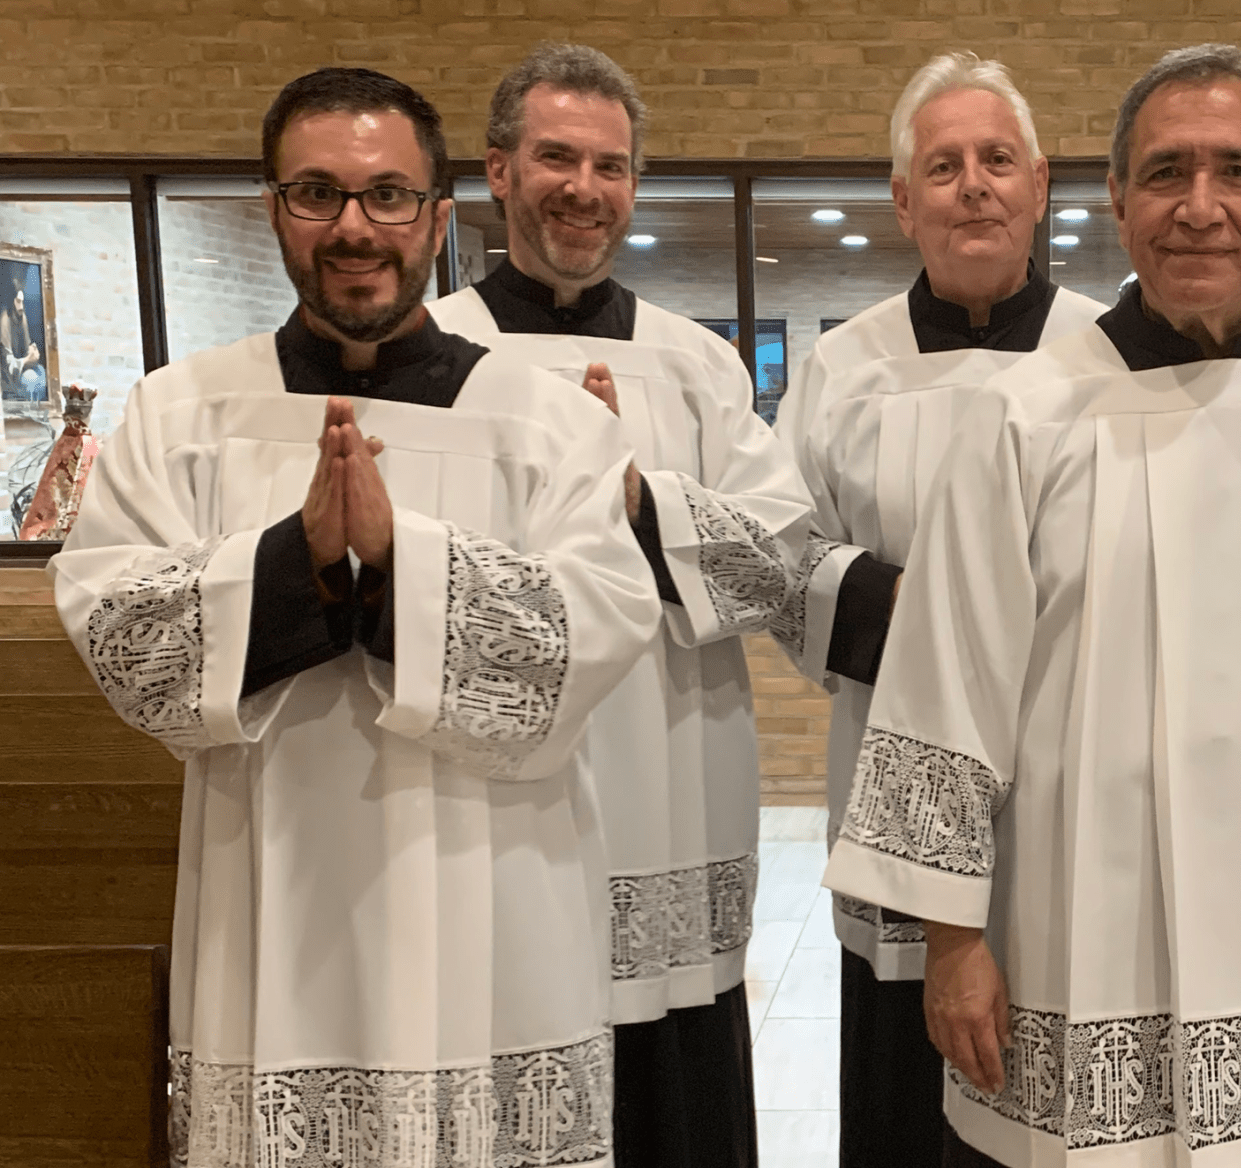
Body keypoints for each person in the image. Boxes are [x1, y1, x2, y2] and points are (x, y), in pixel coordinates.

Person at [821, 43, 1241, 1168]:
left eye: (1234, 172)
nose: (1199, 208)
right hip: (1076, 934)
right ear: (1115, 200)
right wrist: (951, 943)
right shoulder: (1025, 418)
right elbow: (948, 689)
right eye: (1166, 173)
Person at [48, 67, 660, 1168]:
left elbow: (599, 630)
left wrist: (396, 563)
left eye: (387, 195)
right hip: (273, 901)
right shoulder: (182, 412)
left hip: (498, 903)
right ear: (274, 207)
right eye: (316, 193)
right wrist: (299, 560)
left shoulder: (550, 425)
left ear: (438, 215)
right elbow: (121, 632)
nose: (353, 228)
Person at [428, 43, 811, 1168]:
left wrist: (642, 492)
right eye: (555, 157)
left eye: (610, 165)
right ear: (497, 172)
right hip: (496, 804)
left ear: (635, 186)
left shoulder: (694, 366)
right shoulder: (435, 355)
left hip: (671, 783)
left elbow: (777, 556)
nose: (583, 188)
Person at [769, 50, 1105, 1168]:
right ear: (904, 201)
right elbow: (778, 552)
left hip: (1074, 779)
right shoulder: (840, 366)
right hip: (892, 766)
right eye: (944, 166)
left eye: (996, 160)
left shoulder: (1111, 354)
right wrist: (908, 609)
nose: (974, 185)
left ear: (1039, 183)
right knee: (899, 1100)